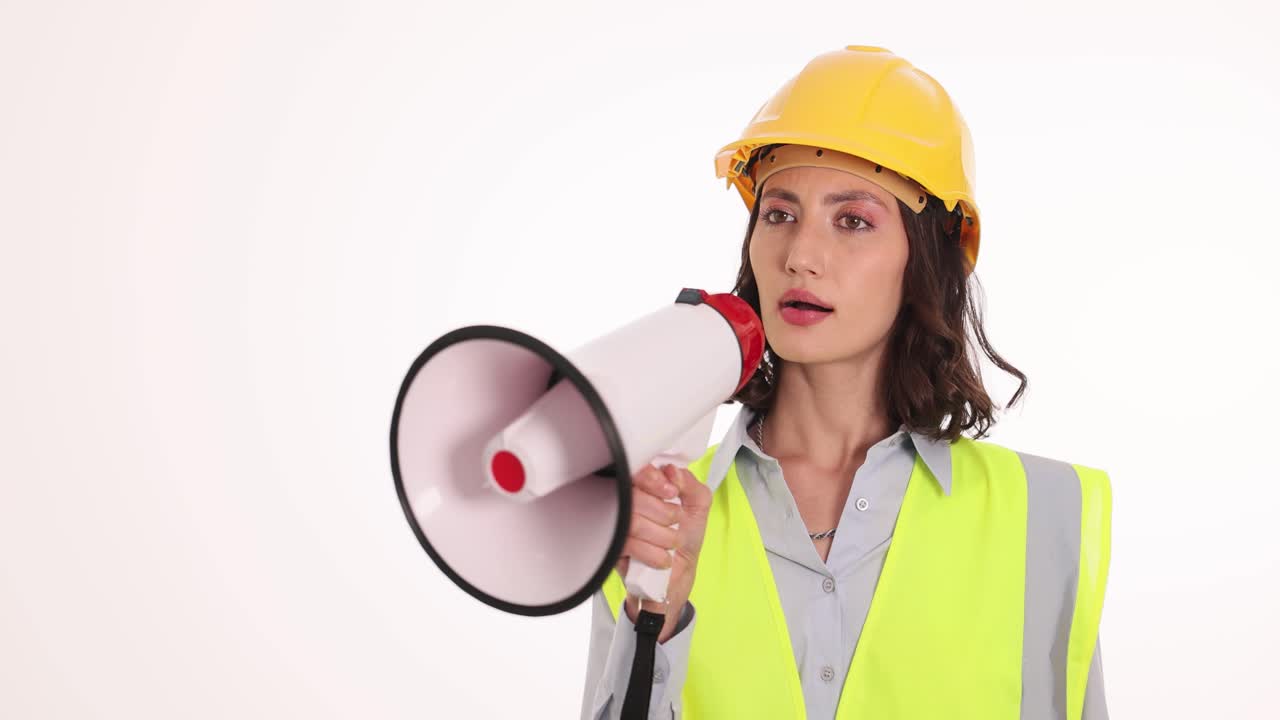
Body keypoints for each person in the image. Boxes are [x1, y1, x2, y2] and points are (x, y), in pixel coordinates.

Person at [580, 46, 1111, 720]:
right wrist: (655, 621)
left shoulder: (1047, 516)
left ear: (925, 257)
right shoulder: (655, 513)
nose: (800, 256)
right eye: (779, 214)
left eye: (853, 220)